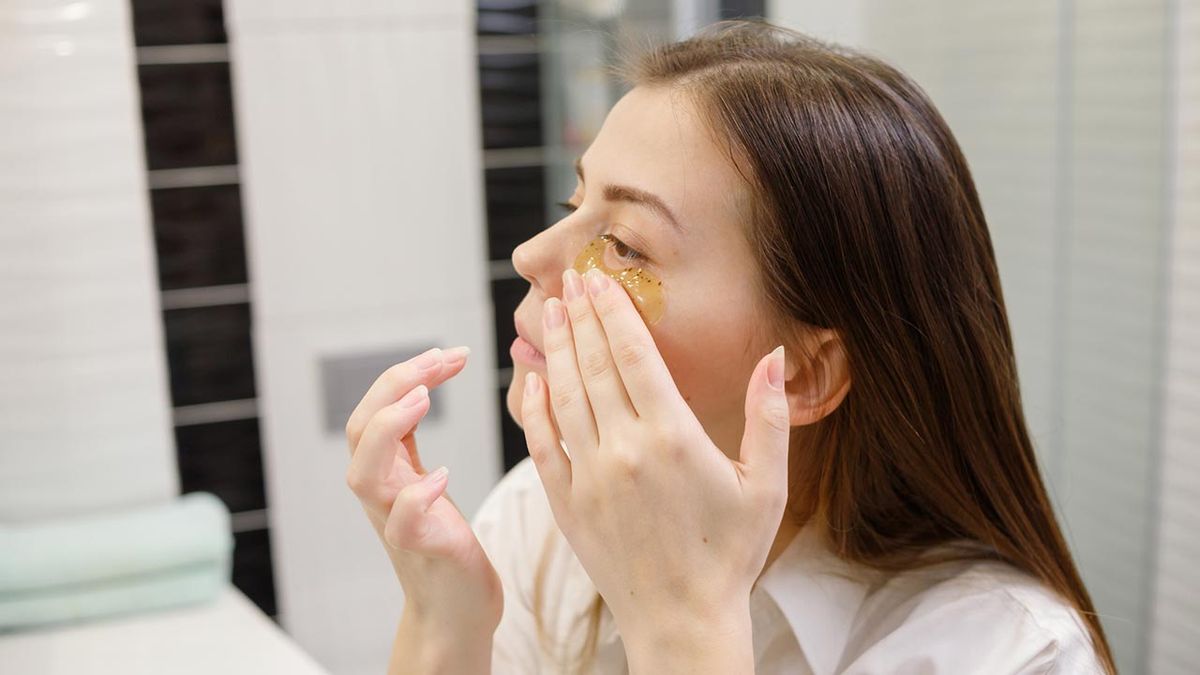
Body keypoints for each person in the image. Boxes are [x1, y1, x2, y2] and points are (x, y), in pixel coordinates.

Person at [344, 20, 1115, 675]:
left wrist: (683, 629)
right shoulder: (543, 522)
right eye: (571, 204)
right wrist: (445, 620)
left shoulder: (1009, 652)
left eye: (621, 244)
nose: (533, 254)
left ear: (805, 373)